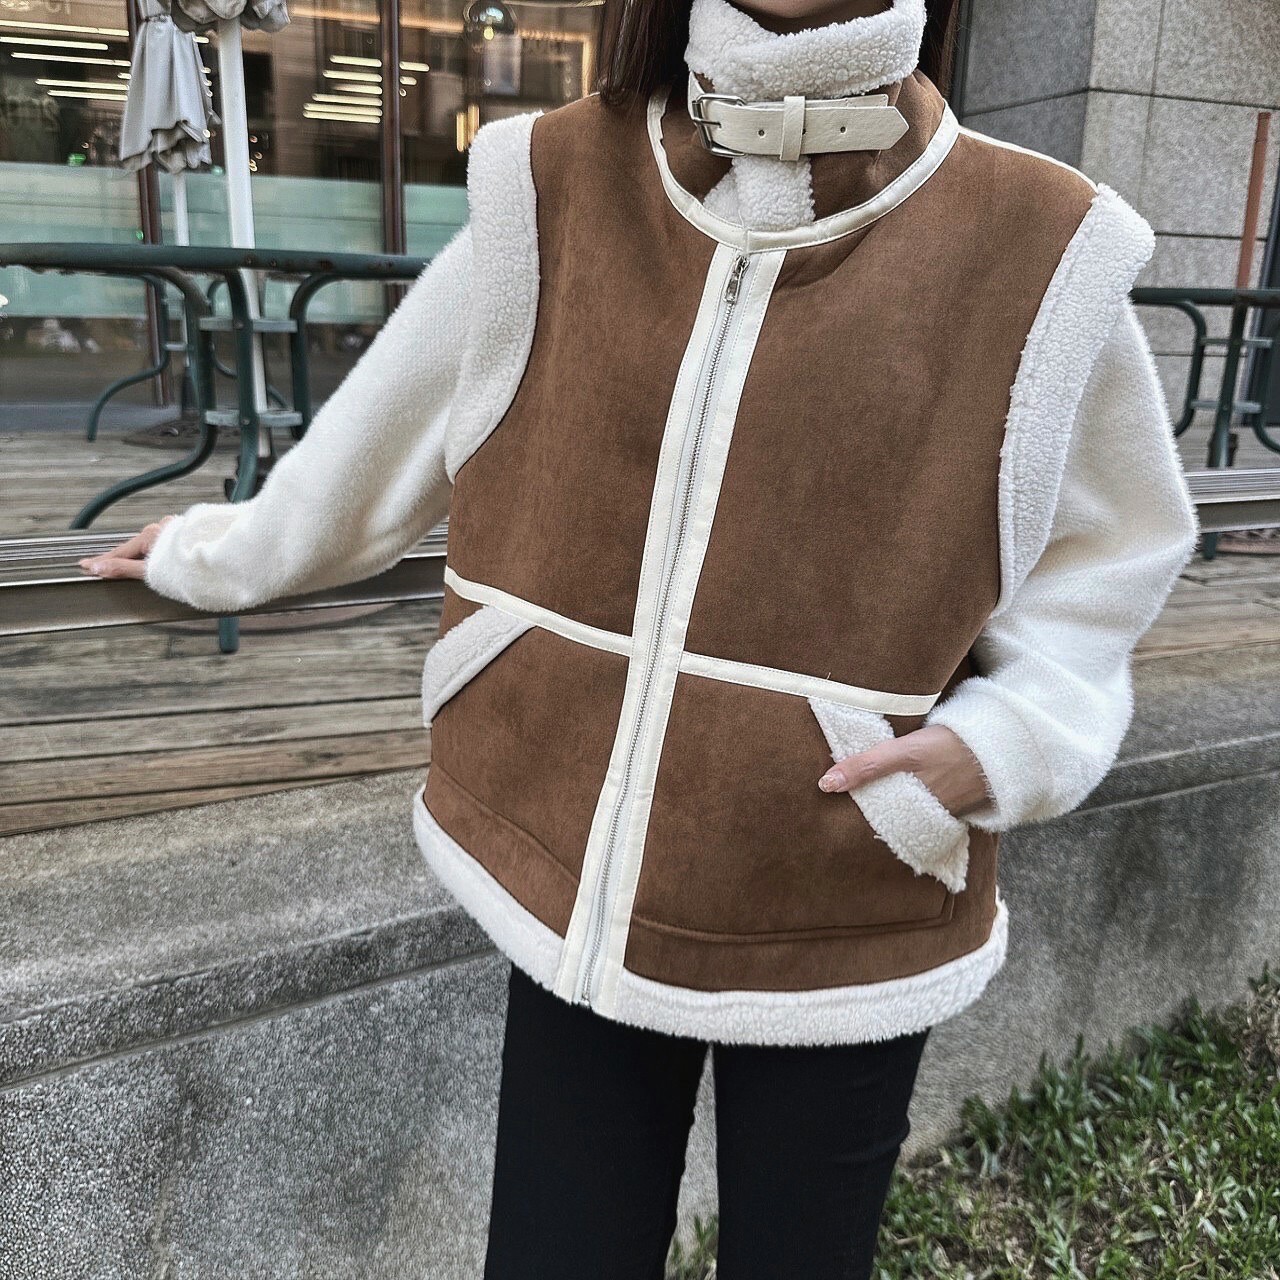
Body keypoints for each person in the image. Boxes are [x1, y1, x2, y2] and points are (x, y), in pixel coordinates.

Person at [80, 0, 1199, 1274]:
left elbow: (1112, 548)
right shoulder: (554, 180)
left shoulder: (1041, 239)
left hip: (844, 880)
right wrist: (210, 555)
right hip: (568, 854)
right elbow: (373, 448)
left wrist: (1010, 739)